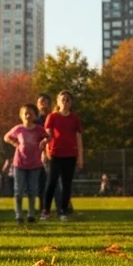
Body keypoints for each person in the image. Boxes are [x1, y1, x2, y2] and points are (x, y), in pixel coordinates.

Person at [41, 91, 83, 222]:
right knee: (51, 182)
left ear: (71, 103)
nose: (65, 102)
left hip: (70, 155)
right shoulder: (52, 117)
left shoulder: (74, 118)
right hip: (55, 154)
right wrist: (45, 147)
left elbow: (78, 138)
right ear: (58, 102)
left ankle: (63, 211)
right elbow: (48, 134)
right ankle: (46, 211)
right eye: (62, 99)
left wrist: (80, 157)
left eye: (68, 100)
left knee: (67, 184)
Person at [4, 103, 47, 224]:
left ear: (35, 115)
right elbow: (6, 137)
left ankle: (31, 214)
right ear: (21, 116)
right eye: (25, 113)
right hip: (20, 163)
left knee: (32, 190)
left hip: (35, 164)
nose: (28, 115)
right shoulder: (18, 129)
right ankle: (18, 215)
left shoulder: (38, 129)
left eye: (31, 113)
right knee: (18, 190)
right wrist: (15, 143)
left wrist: (44, 141)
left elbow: (48, 137)